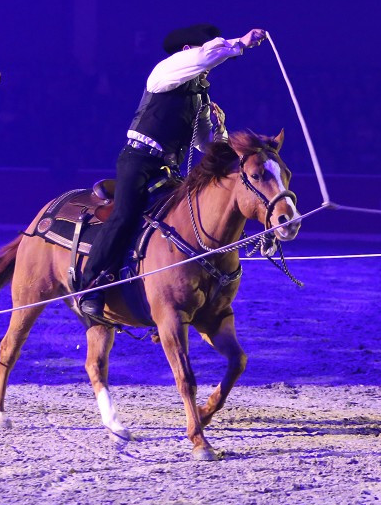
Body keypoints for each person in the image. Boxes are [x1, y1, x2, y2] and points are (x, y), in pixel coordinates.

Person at [78, 23, 267, 318]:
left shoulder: (201, 97)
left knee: (183, 218)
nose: (207, 58)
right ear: (187, 51)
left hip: (167, 168)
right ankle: (91, 284)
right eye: (203, 49)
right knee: (126, 214)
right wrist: (240, 42)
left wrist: (221, 129)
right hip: (138, 160)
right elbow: (207, 56)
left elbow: (208, 145)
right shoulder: (165, 71)